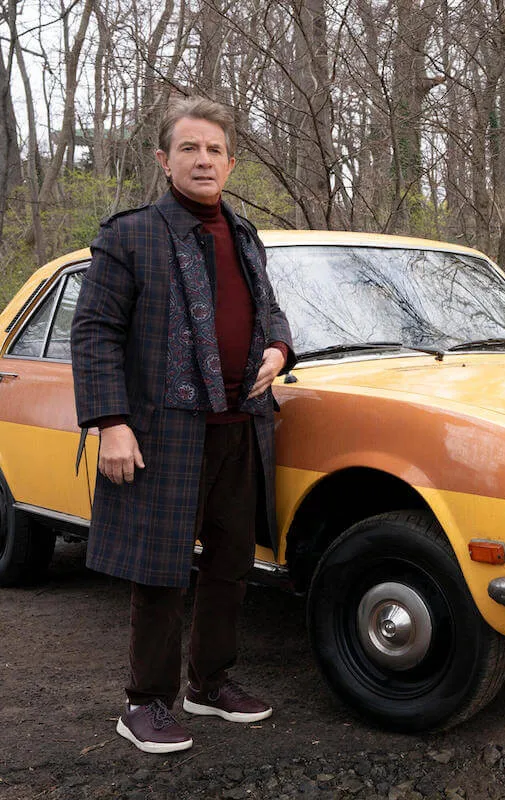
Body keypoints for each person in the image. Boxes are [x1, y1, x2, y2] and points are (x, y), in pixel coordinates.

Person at [71, 96, 296, 753]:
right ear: (164, 159)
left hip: (240, 424)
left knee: (230, 564)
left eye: (215, 150)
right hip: (163, 429)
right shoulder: (130, 234)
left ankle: (210, 683)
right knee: (161, 569)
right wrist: (111, 421)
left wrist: (279, 350)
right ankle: (144, 703)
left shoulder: (245, 234)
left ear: (231, 161)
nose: (204, 160)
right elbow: (94, 332)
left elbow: (271, 312)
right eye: (190, 149)